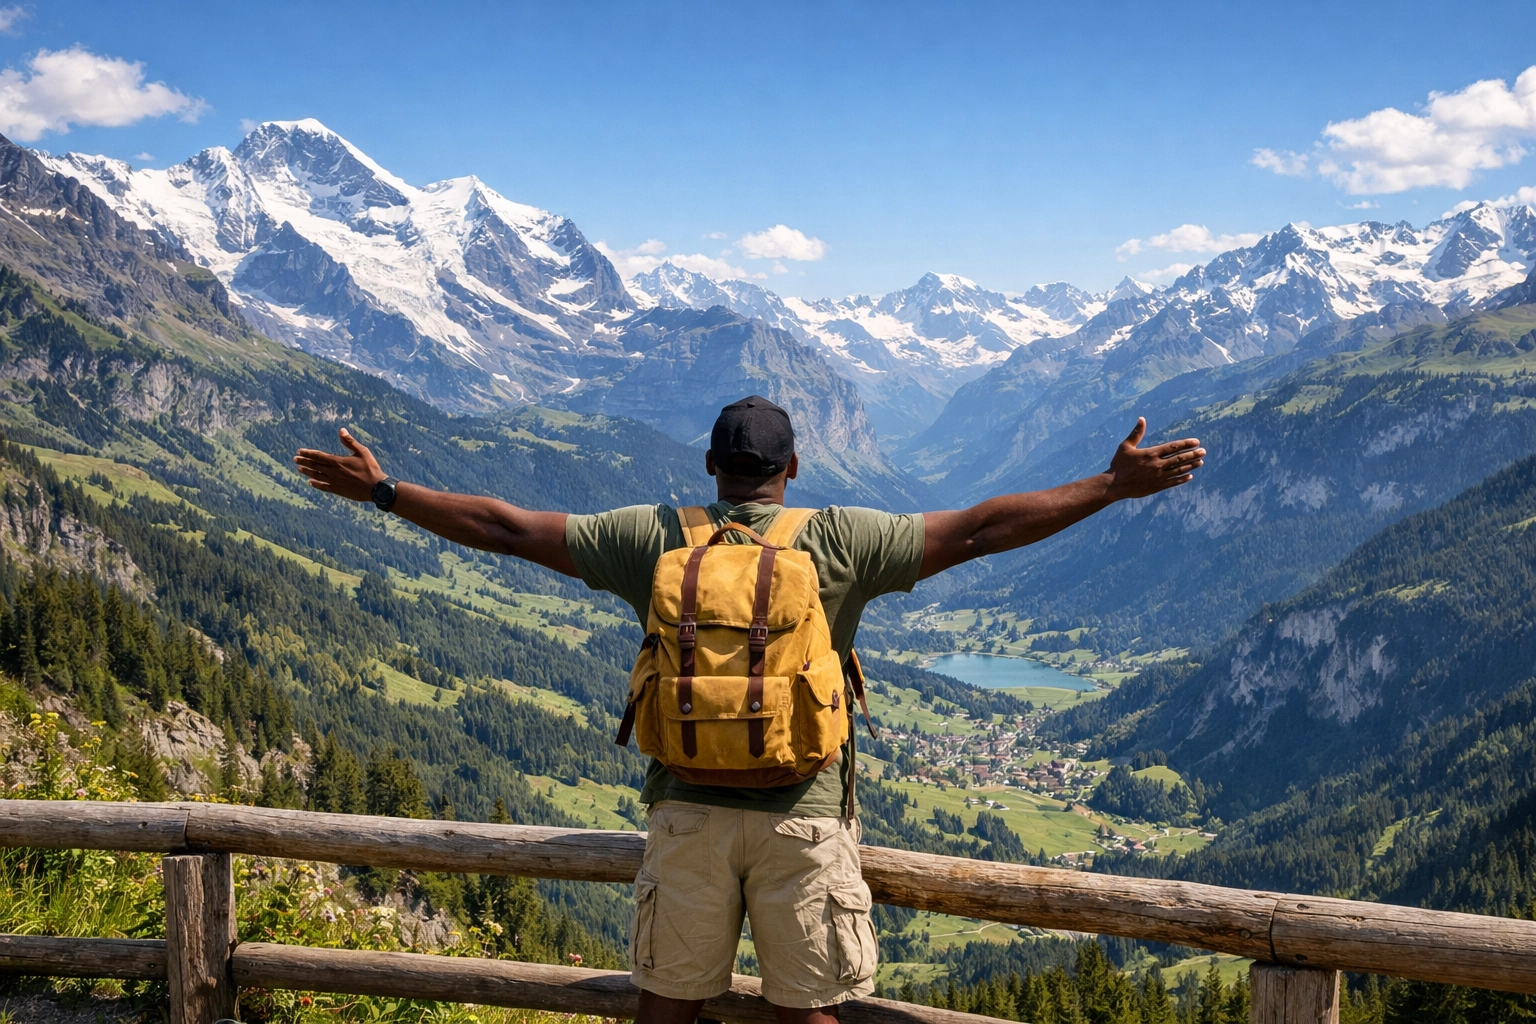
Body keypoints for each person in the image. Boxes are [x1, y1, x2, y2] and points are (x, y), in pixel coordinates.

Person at [293, 395, 1204, 1024]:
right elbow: (981, 528)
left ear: (710, 468)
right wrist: (1110, 486)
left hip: (685, 814)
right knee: (808, 1010)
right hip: (803, 816)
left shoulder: (654, 537)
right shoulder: (839, 540)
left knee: (667, 1004)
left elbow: (503, 527)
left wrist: (384, 490)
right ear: (793, 467)